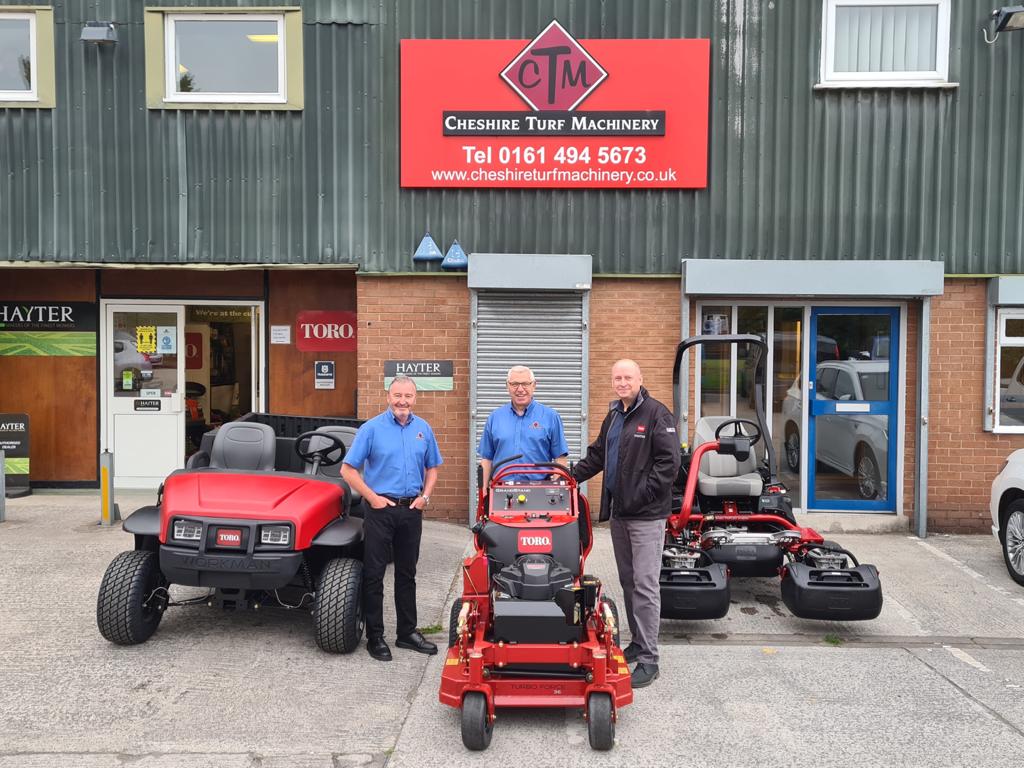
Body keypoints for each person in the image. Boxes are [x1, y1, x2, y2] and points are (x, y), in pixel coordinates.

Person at [571, 359, 680, 688]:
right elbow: (597, 456)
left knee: (646, 585)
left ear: (640, 379)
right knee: (630, 581)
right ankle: (636, 642)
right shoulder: (615, 415)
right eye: (617, 377)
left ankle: (650, 658)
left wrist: (643, 494)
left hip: (646, 515)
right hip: (620, 513)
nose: (622, 382)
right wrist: (565, 476)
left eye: (627, 377)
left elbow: (669, 463)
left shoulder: (657, 414)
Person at [341, 375, 443, 661]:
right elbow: (348, 470)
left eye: (408, 396)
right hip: (380, 511)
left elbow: (432, 467)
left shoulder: (423, 429)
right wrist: (372, 498)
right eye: (397, 395)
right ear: (388, 396)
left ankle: (406, 633)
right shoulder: (371, 429)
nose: (402, 401)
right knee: (374, 574)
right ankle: (375, 636)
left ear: (415, 398)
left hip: (411, 511)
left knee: (407, 574)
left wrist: (426, 497)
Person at [478, 365, 569, 484]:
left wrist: (557, 490)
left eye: (525, 384)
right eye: (514, 384)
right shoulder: (495, 418)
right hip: (500, 490)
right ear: (507, 386)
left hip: (540, 490)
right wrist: (484, 490)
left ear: (534, 386)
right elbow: (487, 459)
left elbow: (560, 459)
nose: (520, 389)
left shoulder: (550, 417)